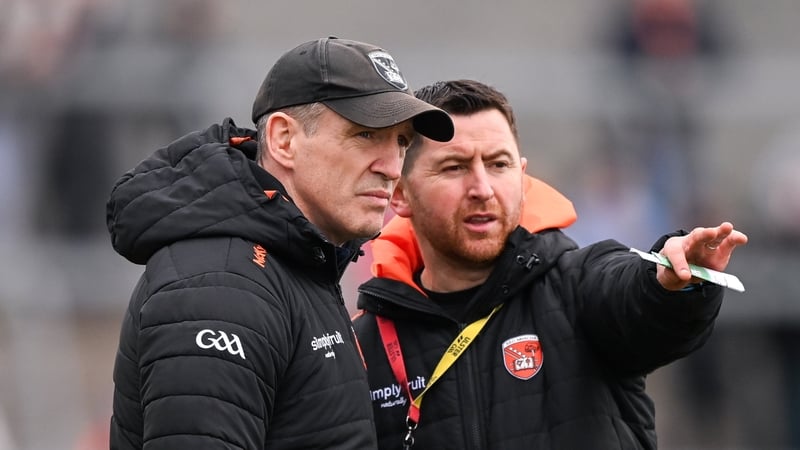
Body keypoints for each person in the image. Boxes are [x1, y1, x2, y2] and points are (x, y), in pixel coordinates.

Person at [351, 79, 748, 449]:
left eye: (498, 164)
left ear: (522, 179)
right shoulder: (362, 347)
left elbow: (636, 298)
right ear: (400, 194)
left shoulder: (577, 284)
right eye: (454, 168)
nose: (482, 188)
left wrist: (668, 282)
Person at [105, 37, 454, 450]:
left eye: (401, 142)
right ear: (284, 140)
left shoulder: (295, 261)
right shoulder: (223, 284)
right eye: (365, 135)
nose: (392, 166)